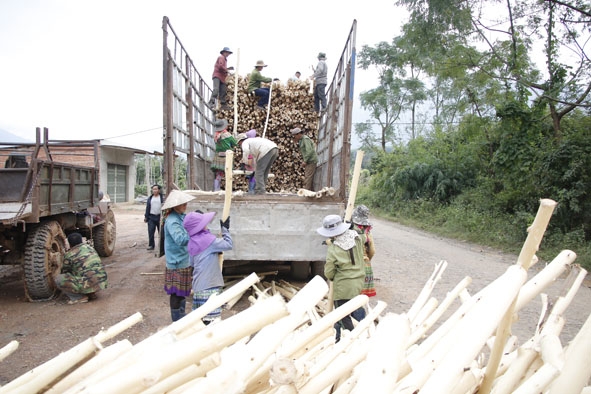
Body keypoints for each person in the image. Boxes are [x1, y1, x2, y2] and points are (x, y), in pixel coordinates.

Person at [317, 214, 366, 342]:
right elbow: (361, 235)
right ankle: (362, 331)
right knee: (356, 307)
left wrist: (331, 245)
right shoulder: (358, 238)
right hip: (359, 280)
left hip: (343, 286)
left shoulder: (334, 249)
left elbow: (329, 273)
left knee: (342, 315)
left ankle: (352, 338)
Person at [183, 211, 232, 325]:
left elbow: (192, 263)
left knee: (203, 322)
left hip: (199, 287)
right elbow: (228, 244)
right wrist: (225, 230)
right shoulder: (209, 241)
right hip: (210, 286)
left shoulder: (191, 242)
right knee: (212, 324)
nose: (207, 224)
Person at [162, 189, 196, 321]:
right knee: (176, 293)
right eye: (182, 204)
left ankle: (180, 316)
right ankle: (177, 319)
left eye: (185, 203)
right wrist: (195, 234)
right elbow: (181, 239)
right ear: (175, 206)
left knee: (182, 293)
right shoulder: (172, 221)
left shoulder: (180, 216)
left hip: (183, 259)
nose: (185, 205)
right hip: (176, 261)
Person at [54, 232, 108, 305]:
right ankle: (91, 293)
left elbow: (65, 271)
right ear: (81, 241)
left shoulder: (69, 254)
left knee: (59, 279)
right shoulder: (90, 248)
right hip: (102, 282)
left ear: (70, 244)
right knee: (87, 272)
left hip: (88, 282)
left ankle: (79, 298)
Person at [351, 205, 376, 298]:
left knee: (350, 298)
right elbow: (372, 250)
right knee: (361, 299)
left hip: (352, 265)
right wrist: (367, 259)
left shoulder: (349, 228)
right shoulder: (367, 231)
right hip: (365, 264)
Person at [211, 119, 237, 191]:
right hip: (227, 156)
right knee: (228, 173)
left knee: (219, 174)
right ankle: (228, 190)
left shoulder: (216, 135)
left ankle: (216, 190)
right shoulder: (227, 135)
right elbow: (235, 143)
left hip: (218, 156)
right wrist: (234, 136)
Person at [144, 184, 163, 251]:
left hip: (159, 217)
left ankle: (161, 246)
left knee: (161, 232)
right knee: (151, 232)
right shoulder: (150, 198)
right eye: (153, 189)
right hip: (151, 217)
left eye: (156, 189)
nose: (154, 190)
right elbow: (147, 208)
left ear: (159, 190)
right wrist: (146, 217)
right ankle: (151, 245)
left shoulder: (162, 198)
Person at [245, 129, 257, 193]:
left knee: (252, 176)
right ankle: (251, 190)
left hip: (252, 162)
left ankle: (251, 190)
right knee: (253, 176)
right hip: (253, 163)